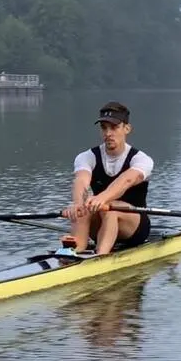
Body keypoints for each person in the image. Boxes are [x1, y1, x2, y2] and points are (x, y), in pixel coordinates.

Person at [61, 101, 154, 255]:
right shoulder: (87, 157)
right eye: (104, 128)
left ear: (127, 129)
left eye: (114, 127)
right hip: (102, 221)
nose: (108, 133)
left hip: (134, 227)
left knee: (110, 208)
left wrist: (102, 198)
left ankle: (101, 256)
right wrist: (77, 203)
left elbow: (126, 181)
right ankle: (74, 251)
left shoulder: (141, 159)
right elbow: (81, 180)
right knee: (83, 208)